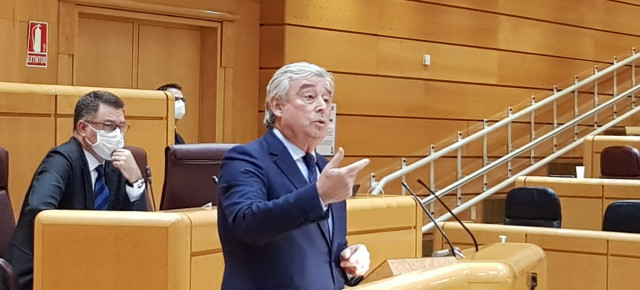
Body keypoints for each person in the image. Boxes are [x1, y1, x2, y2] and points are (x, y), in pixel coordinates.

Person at [217, 62, 371, 290]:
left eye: (327, 100)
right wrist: (319, 196)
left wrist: (350, 261)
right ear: (277, 106)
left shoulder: (324, 168)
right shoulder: (246, 158)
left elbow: (323, 250)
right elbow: (246, 223)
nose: (322, 107)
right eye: (310, 96)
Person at [1, 90, 147, 290]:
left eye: (121, 127)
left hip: (92, 270)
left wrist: (136, 181)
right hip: (38, 274)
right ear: (83, 128)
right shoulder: (61, 160)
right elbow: (40, 210)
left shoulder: (115, 166)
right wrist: (85, 246)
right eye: (108, 126)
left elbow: (143, 230)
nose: (117, 134)